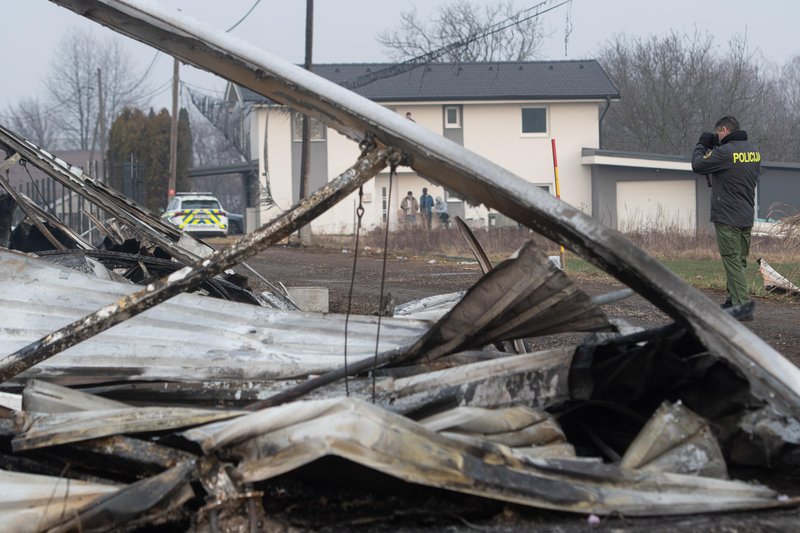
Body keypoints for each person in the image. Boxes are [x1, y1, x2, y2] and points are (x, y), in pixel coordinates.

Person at [691, 116, 760, 321]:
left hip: (727, 216)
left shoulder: (725, 152)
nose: (717, 136)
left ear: (724, 130)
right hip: (746, 215)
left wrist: (702, 145)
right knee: (739, 261)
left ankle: (742, 307)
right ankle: (732, 301)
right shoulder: (753, 150)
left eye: (719, 133)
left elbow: (698, 165)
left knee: (732, 262)